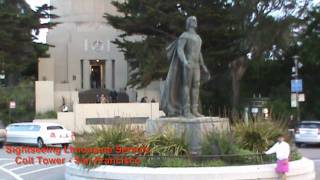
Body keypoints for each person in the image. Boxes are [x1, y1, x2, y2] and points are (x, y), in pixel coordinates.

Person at [160, 16, 210, 117]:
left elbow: (199, 52)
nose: (195, 22)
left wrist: (203, 65)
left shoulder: (198, 38)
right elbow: (180, 50)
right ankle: (186, 111)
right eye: (193, 20)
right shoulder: (184, 35)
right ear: (188, 23)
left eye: (196, 20)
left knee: (196, 85)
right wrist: (184, 62)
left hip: (196, 65)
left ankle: (194, 110)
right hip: (188, 63)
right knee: (186, 86)